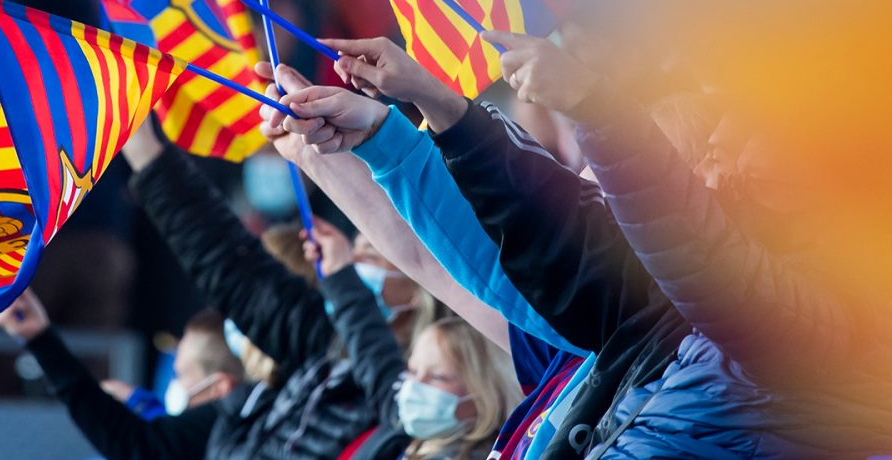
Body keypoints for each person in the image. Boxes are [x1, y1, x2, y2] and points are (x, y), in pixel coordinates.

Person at [275, 33, 892, 456]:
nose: (711, 177)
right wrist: (422, 118)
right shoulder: (669, 317)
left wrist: (599, 110)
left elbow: (697, 255)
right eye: (704, 161)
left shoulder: (834, 313)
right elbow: (544, 246)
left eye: (729, 158)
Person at [111, 114, 413, 459]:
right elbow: (228, 264)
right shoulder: (321, 354)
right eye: (352, 256)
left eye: (370, 256)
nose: (353, 269)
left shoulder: (427, 396)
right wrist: (143, 150)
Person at [305, 217, 520, 460]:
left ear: (486, 393)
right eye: (410, 371)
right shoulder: (407, 436)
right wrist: (339, 276)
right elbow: (374, 357)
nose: (414, 387)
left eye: (438, 377)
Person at [0, 290, 240, 457]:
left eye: (183, 375)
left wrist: (39, 338)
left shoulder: (229, 435)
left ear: (220, 386)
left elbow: (139, 445)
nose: (176, 385)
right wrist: (140, 403)